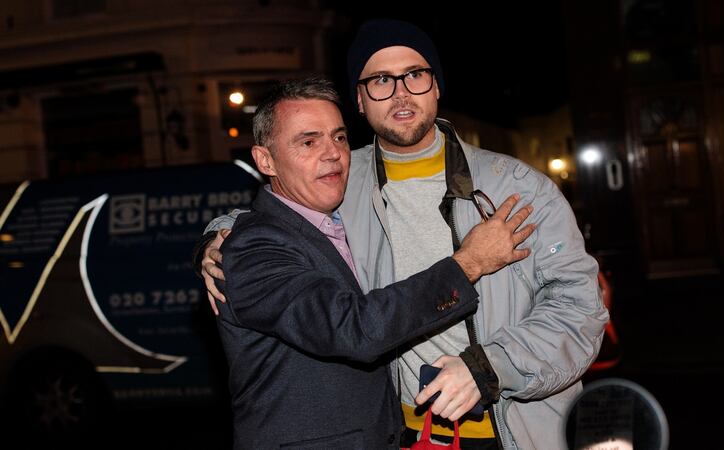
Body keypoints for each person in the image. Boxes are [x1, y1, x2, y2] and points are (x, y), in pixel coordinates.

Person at [198, 20, 608, 449]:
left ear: (436, 87)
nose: (400, 92)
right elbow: (281, 212)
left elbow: (580, 307)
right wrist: (217, 236)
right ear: (359, 99)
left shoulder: (518, 186)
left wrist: (490, 367)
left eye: (415, 75)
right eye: (380, 80)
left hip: (515, 431)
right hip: (403, 436)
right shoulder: (341, 182)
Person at [211, 77, 535, 449]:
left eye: (339, 137)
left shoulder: (342, 219)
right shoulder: (255, 247)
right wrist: (468, 264)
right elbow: (353, 328)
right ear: (265, 160)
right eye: (308, 141)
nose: (332, 153)